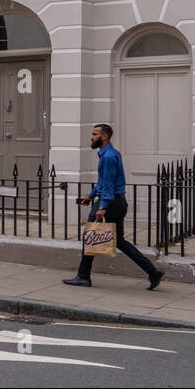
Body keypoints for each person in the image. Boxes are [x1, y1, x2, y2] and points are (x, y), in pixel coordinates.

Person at [64, 124, 164, 290]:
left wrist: (102, 207)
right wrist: (90, 195)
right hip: (118, 202)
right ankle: (152, 272)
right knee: (119, 241)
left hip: (109, 203)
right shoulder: (110, 154)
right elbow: (103, 182)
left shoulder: (108, 157)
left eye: (94, 134)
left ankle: (83, 276)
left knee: (90, 237)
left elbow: (108, 186)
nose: (91, 137)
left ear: (104, 137)